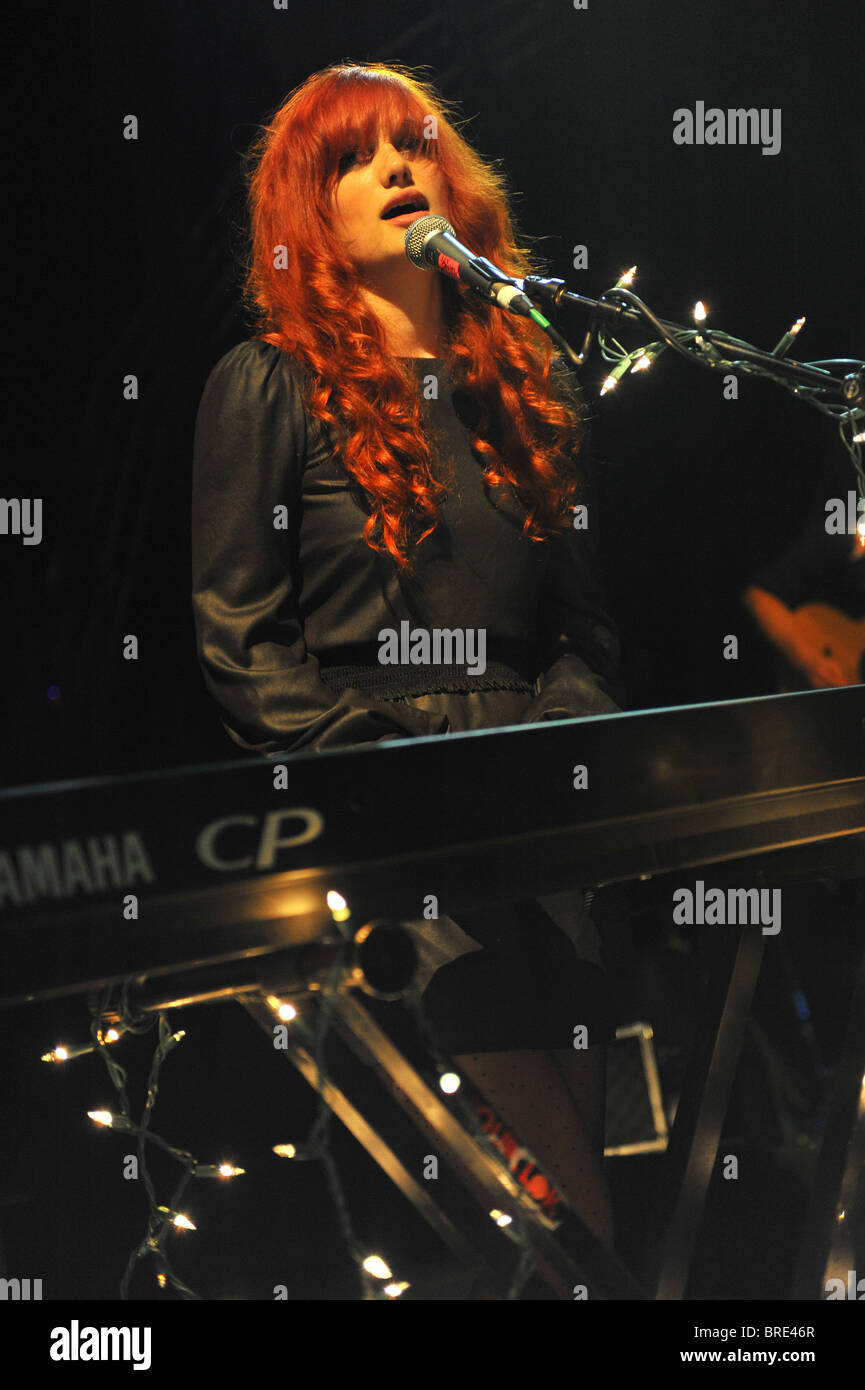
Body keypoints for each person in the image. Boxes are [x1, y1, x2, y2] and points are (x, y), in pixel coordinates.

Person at [191, 62, 625, 1262]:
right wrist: (390, 774)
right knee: (566, 1210)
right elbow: (243, 645)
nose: (393, 169)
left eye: (413, 146)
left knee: (570, 1199)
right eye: (353, 156)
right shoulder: (267, 386)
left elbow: (585, 629)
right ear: (307, 207)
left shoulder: (534, 386)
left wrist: (557, 742)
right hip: (389, 813)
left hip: (541, 804)